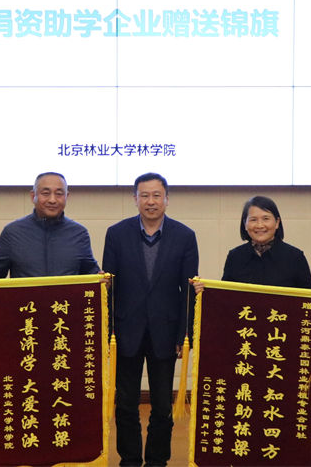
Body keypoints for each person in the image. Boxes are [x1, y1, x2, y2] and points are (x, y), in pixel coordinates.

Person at [103, 172, 199, 467]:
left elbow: (189, 292)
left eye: (157, 195)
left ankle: (158, 461)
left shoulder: (185, 236)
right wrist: (108, 332)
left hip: (165, 333)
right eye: (144, 195)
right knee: (126, 404)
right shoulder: (116, 234)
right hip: (126, 332)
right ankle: (130, 460)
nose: (151, 201)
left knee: (161, 406)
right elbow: (109, 288)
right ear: (135, 199)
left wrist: (185, 335)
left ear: (167, 199)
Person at [0, 171, 99, 298]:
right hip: (25, 310)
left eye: (59, 194)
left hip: (65, 310)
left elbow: (90, 272)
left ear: (66, 197)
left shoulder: (79, 233)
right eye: (46, 193)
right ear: (33, 196)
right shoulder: (13, 232)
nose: (52, 200)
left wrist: (101, 280)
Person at [205, 195, 311, 305]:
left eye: (266, 219)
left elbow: (309, 294)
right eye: (253, 220)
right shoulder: (235, 256)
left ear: (277, 222)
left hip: (281, 325)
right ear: (245, 224)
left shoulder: (294, 256)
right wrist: (203, 290)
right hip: (245, 325)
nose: (259, 225)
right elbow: (224, 296)